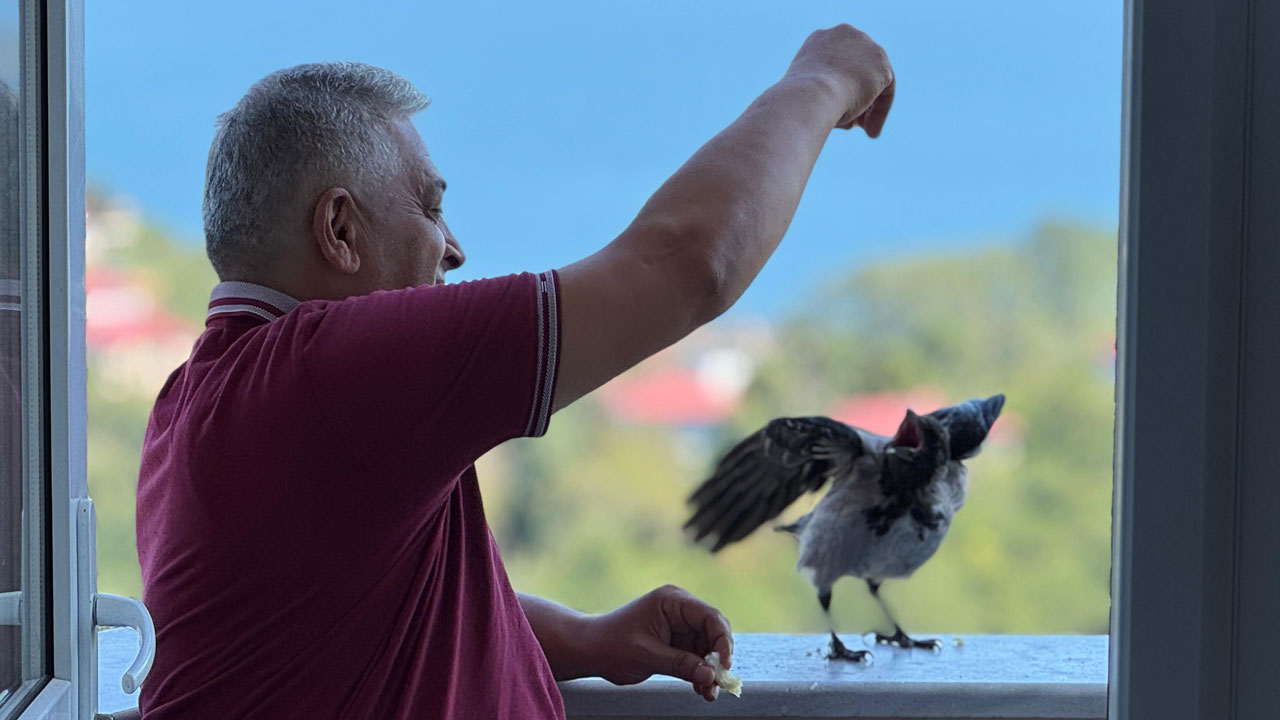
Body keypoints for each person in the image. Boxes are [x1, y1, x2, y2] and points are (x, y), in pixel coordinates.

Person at [135, 23, 895, 720]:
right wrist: (823, 79)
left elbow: (356, 604)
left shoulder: (198, 398)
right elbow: (685, 267)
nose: (455, 248)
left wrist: (589, 638)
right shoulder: (330, 376)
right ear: (340, 229)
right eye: (431, 208)